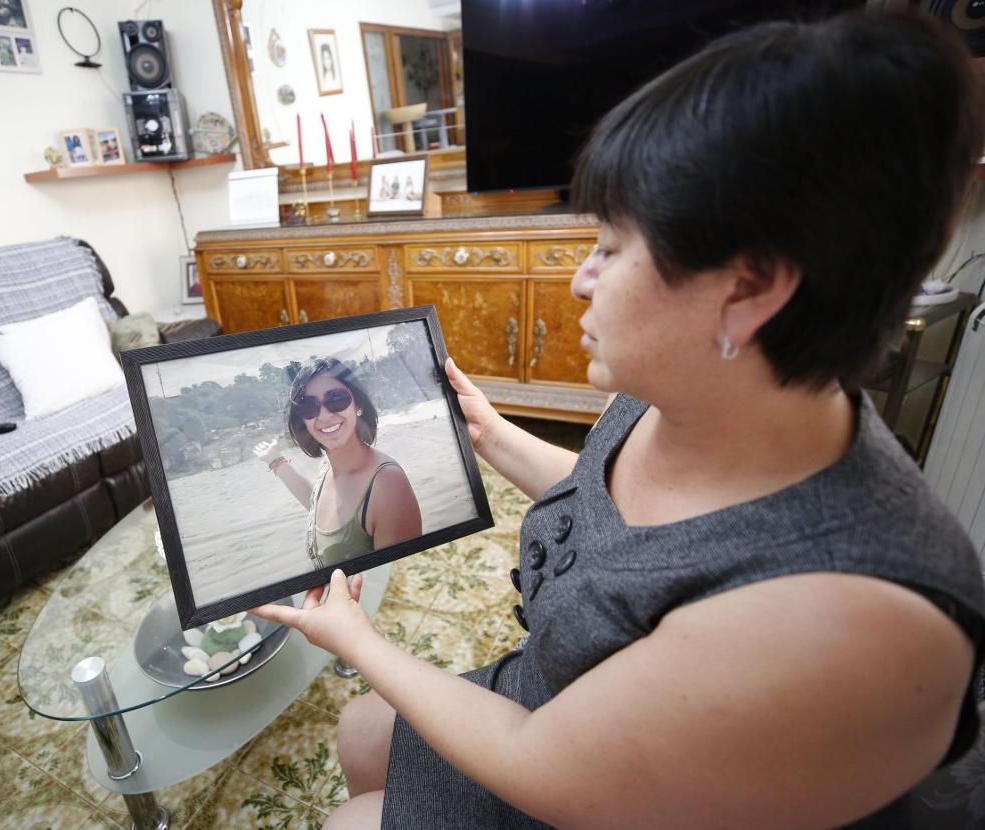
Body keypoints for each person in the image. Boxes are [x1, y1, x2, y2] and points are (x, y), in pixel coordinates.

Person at [253, 10, 985, 829]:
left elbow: (545, 768)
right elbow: (636, 526)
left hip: (587, 776)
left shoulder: (844, 619)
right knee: (359, 733)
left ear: (747, 289)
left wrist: (359, 641)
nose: (579, 279)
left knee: (344, 819)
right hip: (563, 692)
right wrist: (492, 436)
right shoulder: (704, 388)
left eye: (610, 245)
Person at [254, 358, 421, 569]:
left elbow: (398, 582)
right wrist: (275, 461)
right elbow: (318, 505)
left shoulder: (387, 483)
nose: (324, 415)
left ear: (357, 403)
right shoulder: (328, 466)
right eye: (309, 406)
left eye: (336, 399)